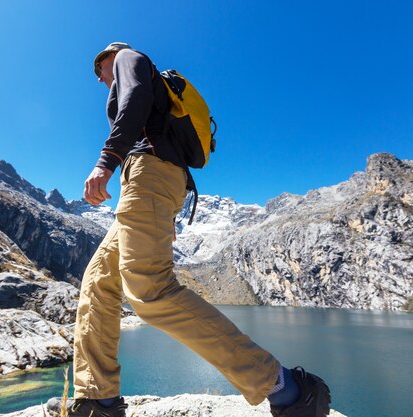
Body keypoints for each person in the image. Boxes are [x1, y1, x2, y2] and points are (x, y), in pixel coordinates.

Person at [67, 42, 331, 417]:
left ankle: (287, 388)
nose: (98, 77)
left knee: (150, 289)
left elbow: (136, 99)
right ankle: (99, 400)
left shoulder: (129, 58)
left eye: (100, 67)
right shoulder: (131, 72)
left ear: (113, 55)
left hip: (150, 174)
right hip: (149, 179)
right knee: (98, 283)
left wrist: (106, 161)